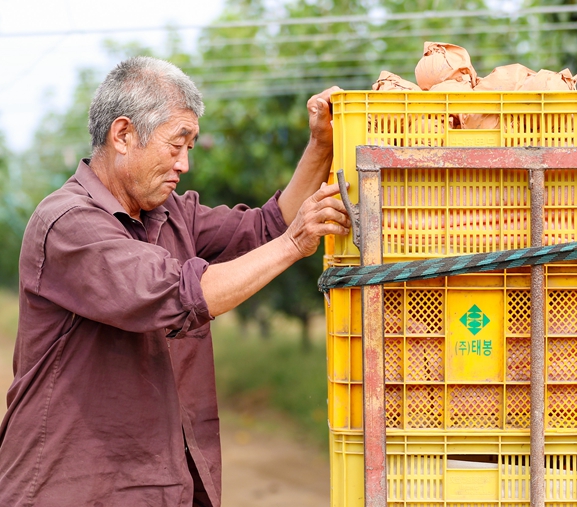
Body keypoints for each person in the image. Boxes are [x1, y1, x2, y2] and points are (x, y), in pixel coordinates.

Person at [0, 56, 350, 506]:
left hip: (158, 483)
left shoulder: (170, 214)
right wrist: (294, 244)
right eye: (176, 144)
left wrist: (321, 146)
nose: (185, 164)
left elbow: (268, 226)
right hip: (69, 486)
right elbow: (177, 294)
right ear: (123, 135)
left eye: (191, 146)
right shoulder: (68, 224)